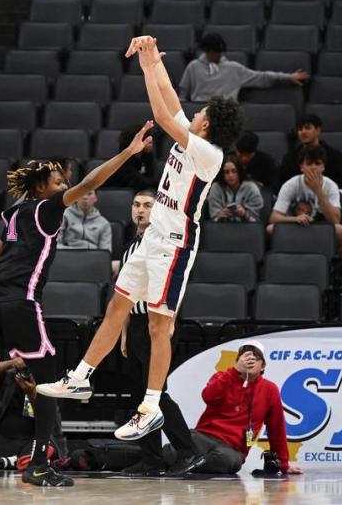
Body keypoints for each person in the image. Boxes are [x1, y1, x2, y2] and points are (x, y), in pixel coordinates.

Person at [0, 123, 156, 488]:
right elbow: (90, 183)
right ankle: (39, 464)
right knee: (49, 384)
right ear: (42, 187)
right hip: (21, 303)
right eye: (58, 181)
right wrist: (128, 154)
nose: (63, 186)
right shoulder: (47, 209)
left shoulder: (13, 213)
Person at [38, 36, 244, 445]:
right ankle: (80, 378)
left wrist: (149, 69)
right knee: (117, 305)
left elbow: (163, 118)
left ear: (208, 125)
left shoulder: (210, 154)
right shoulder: (194, 135)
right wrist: (151, 62)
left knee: (158, 325)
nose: (195, 112)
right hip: (152, 238)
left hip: (175, 241)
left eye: (201, 111)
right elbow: (170, 101)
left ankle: (150, 407)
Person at [116, 188, 204, 477]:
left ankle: (189, 452)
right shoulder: (131, 245)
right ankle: (151, 460)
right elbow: (126, 294)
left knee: (157, 395)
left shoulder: (162, 241)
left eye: (147, 205)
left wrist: (170, 321)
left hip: (158, 324)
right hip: (138, 324)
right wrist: (125, 331)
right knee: (142, 397)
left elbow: (174, 283)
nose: (140, 210)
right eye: (136, 204)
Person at [189, 340, 299, 474]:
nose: (250, 361)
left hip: (231, 450)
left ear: (263, 366)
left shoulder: (269, 389)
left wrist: (284, 465)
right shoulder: (222, 377)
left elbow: (276, 429)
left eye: (255, 358)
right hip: (204, 438)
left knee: (228, 460)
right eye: (244, 357)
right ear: (237, 361)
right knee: (181, 443)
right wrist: (234, 372)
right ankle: (190, 461)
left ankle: (189, 462)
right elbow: (208, 397)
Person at [179, 33, 309, 103]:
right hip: (199, 110)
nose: (218, 54)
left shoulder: (234, 68)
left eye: (220, 51)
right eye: (215, 51)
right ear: (207, 51)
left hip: (226, 112)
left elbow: (261, 77)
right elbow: (183, 94)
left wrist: (288, 77)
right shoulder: (193, 67)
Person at [269, 145, 342, 256]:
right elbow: (273, 218)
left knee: (341, 231)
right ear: (301, 167)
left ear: (323, 167)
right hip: (296, 226)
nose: (313, 167)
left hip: (322, 228)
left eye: (317, 163)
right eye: (309, 164)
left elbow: (335, 220)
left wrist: (318, 191)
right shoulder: (291, 184)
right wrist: (295, 219)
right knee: (270, 229)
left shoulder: (331, 186)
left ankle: (339, 267)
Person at [278, 115, 342, 195]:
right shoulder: (290, 157)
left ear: (318, 130)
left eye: (307, 128)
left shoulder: (334, 156)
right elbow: (282, 184)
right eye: (300, 129)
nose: (303, 132)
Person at [105, 123, 158, 191]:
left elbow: (150, 177)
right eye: (147, 140)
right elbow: (138, 182)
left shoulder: (148, 155)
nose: (151, 142)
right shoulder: (122, 161)